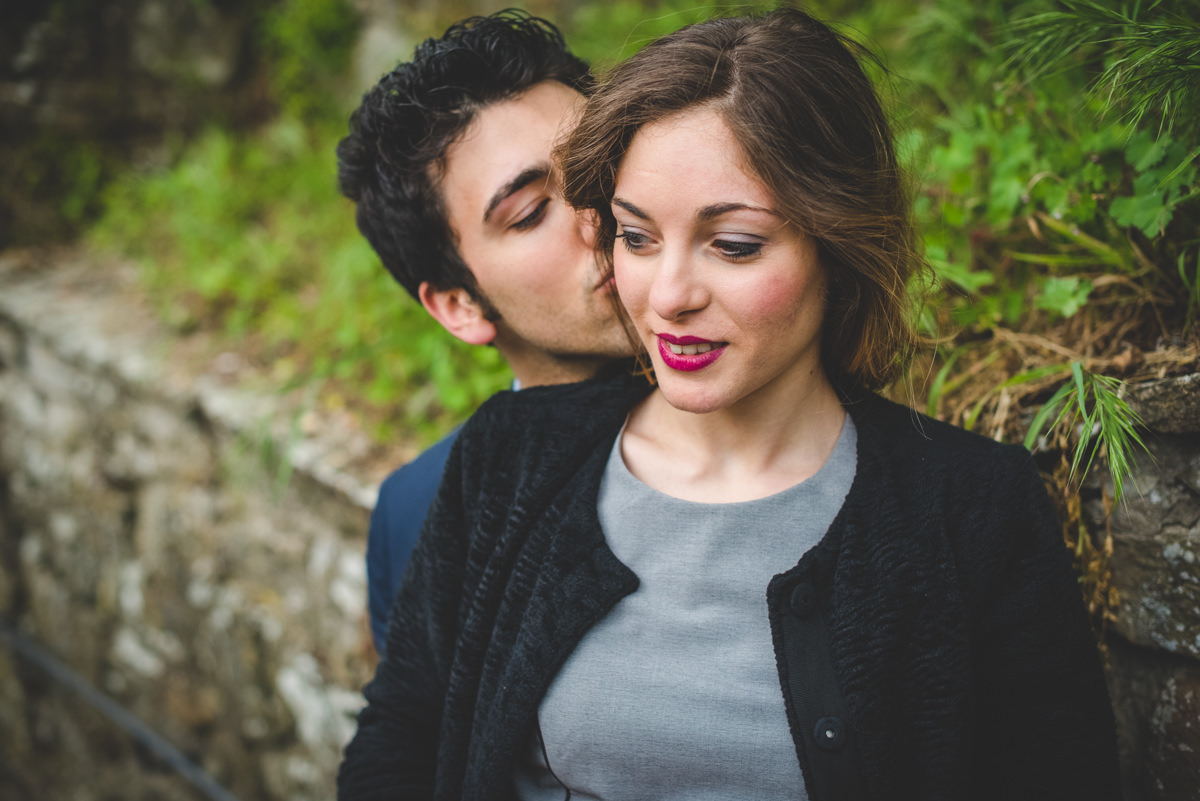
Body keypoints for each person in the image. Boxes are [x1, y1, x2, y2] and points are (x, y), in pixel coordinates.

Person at [337, 8, 1122, 800]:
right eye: (635, 234)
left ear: (834, 237)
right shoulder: (492, 467)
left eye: (735, 245)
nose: (663, 291)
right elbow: (404, 740)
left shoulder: (969, 506)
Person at [336, 10, 631, 654]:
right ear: (459, 305)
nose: (599, 215)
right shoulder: (419, 514)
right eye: (529, 214)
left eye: (602, 164)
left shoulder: (798, 402)